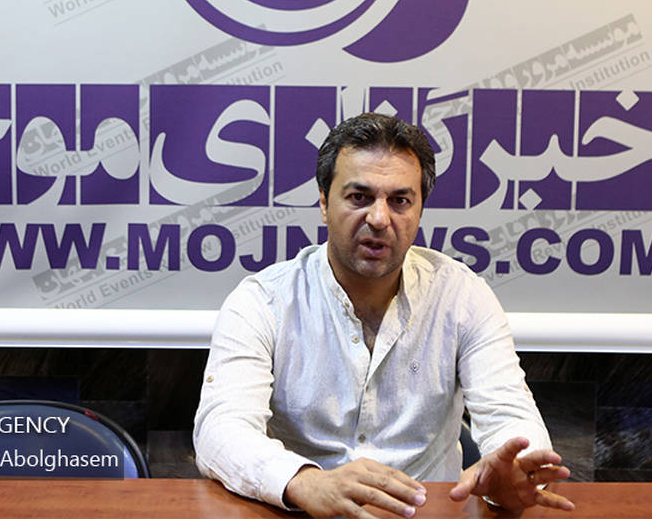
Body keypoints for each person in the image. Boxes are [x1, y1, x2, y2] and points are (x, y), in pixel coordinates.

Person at [194, 113, 573, 517]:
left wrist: (514, 473)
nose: (379, 219)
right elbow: (221, 430)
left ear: (420, 209)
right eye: (359, 197)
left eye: (400, 201)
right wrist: (304, 481)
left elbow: (511, 416)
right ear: (323, 202)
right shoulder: (263, 301)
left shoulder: (462, 296)